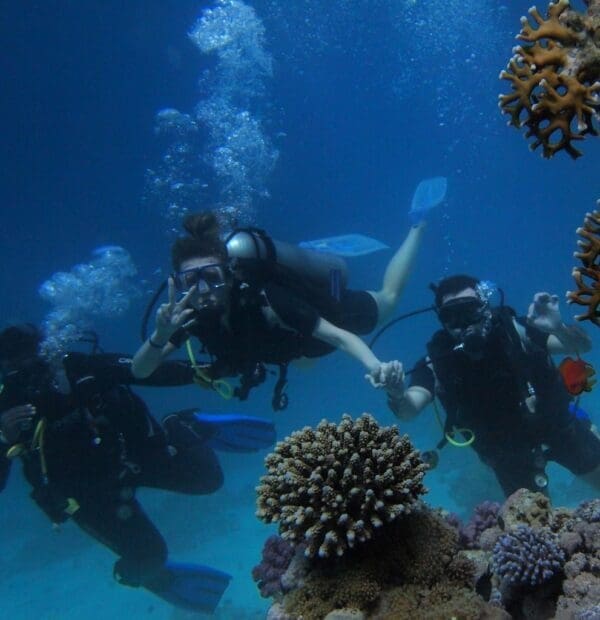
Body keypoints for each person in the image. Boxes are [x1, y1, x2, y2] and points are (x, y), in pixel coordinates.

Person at [0, 324, 275, 613]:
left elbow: (142, 370)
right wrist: (3, 437)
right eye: (15, 372)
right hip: (88, 497)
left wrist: (215, 370)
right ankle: (153, 575)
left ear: (48, 355)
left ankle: (182, 424)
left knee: (208, 479)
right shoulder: (5, 409)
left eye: (34, 366)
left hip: (134, 460)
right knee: (147, 560)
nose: (30, 381)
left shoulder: (78, 369)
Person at [132, 211, 430, 408]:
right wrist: (161, 335)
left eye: (211, 277)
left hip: (326, 315)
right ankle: (311, 256)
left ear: (229, 273)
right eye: (190, 281)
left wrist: (375, 367)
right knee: (304, 362)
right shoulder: (185, 317)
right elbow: (140, 370)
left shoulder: (267, 298)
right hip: (294, 348)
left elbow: (339, 337)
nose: (203, 290)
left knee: (388, 299)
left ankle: (417, 225)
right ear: (178, 284)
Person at [370, 274, 600, 497]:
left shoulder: (515, 330)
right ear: (441, 319)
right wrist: (397, 393)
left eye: (470, 310)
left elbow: (581, 345)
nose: (464, 323)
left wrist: (558, 327)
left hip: (560, 427)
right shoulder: (436, 362)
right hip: (507, 453)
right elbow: (409, 409)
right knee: (532, 526)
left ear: (485, 307)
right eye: (452, 315)